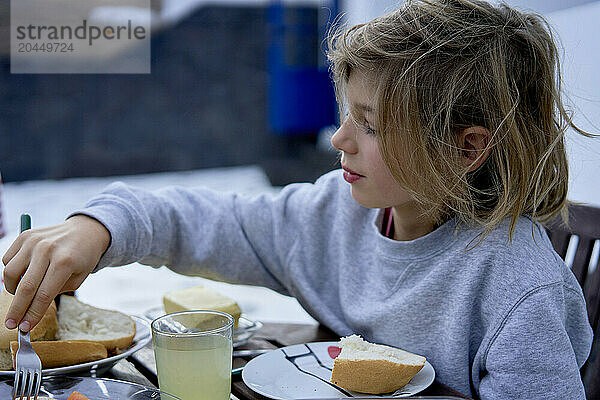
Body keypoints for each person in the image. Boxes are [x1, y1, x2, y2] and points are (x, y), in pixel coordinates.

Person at [1, 0, 595, 398]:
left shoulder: (522, 294)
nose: (339, 140)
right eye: (346, 116)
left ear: (467, 150)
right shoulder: (333, 216)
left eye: (371, 124)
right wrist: (99, 227)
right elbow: (209, 220)